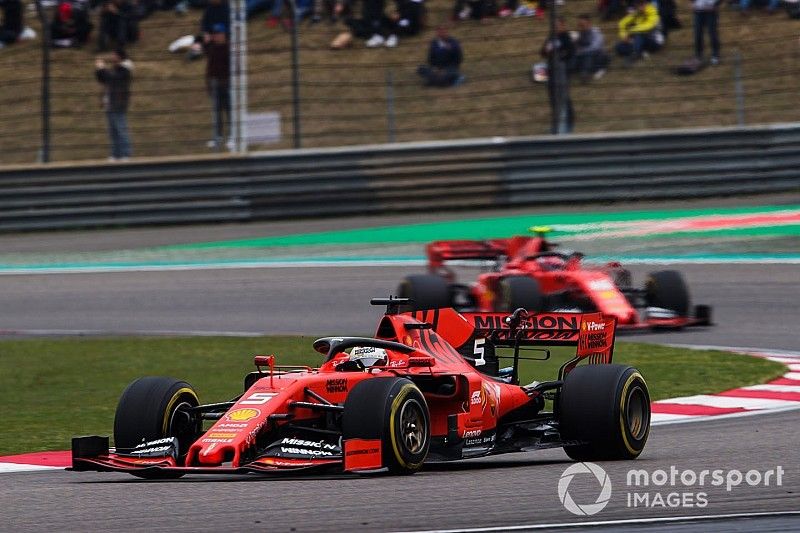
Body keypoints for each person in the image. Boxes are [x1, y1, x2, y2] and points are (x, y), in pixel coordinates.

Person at [95, 49, 133, 160]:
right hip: (110, 103)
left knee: (120, 129)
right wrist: (99, 70)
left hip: (118, 103)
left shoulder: (124, 70)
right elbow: (103, 79)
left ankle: (125, 153)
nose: (111, 56)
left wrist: (102, 68)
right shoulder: (116, 69)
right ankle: (116, 154)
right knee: (113, 131)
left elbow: (112, 78)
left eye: (114, 54)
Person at [541, 17, 575, 132]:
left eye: (557, 26)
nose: (555, 28)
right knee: (553, 99)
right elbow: (542, 52)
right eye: (554, 26)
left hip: (562, 72)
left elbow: (570, 52)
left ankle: (568, 124)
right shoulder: (551, 38)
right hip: (552, 72)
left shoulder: (566, 38)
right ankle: (556, 125)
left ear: (563, 26)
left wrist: (560, 55)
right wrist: (547, 50)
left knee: (563, 98)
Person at [204, 24, 230, 150]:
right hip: (215, 85)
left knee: (229, 112)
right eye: (215, 34)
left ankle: (232, 137)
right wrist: (208, 84)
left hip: (227, 85)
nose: (217, 36)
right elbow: (209, 69)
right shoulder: (212, 49)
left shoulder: (228, 49)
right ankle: (218, 136)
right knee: (217, 114)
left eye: (219, 34)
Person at [615, 0, 663, 65]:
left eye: (642, 4)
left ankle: (635, 55)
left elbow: (647, 27)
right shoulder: (637, 13)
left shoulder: (653, 13)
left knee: (640, 33)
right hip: (640, 41)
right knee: (618, 47)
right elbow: (622, 23)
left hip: (654, 41)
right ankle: (641, 52)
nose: (640, 6)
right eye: (638, 4)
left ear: (647, 3)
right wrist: (624, 36)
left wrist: (630, 33)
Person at [572, 13, 609, 81]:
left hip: (597, 56)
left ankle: (585, 73)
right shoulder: (579, 34)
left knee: (589, 54)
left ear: (589, 23)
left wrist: (581, 50)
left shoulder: (595, 32)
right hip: (583, 56)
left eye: (582, 24)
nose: (581, 26)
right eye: (579, 24)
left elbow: (595, 47)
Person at [692, 0, 720, 65]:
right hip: (698, 11)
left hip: (711, 12)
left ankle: (715, 55)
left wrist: (716, 4)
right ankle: (698, 55)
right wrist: (692, 3)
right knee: (698, 34)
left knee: (712, 33)